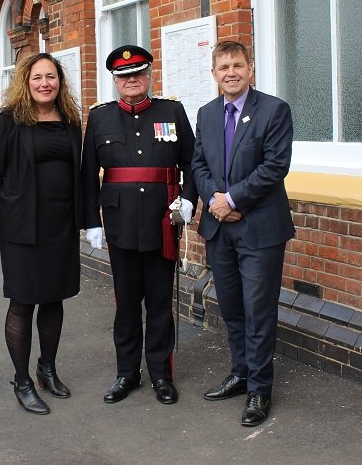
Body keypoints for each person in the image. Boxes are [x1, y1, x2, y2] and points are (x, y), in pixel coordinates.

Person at [82, 45, 197, 405]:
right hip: (119, 224)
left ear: (148, 76)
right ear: (115, 81)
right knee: (127, 304)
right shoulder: (100, 118)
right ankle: (127, 373)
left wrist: (190, 199)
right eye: (123, 76)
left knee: (160, 303)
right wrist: (91, 222)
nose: (131, 80)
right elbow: (88, 175)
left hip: (161, 222)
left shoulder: (171, 111)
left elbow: (193, 163)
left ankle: (161, 373)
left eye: (138, 74)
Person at [191, 40, 296, 427]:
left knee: (258, 310)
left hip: (259, 229)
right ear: (214, 73)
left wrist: (233, 200)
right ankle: (240, 373)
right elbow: (198, 164)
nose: (231, 72)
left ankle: (260, 389)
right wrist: (216, 201)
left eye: (237, 65)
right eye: (223, 67)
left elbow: (274, 167)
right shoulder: (206, 113)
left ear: (250, 68)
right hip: (220, 229)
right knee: (232, 307)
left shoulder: (273, 110)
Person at [0, 52, 83, 415]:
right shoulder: (9, 121)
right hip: (23, 230)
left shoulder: (70, 120)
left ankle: (47, 370)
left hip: (61, 227)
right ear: (26, 82)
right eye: (38, 77)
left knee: (54, 299)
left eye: (51, 77)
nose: (45, 83)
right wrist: (11, 212)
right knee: (23, 302)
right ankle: (22, 381)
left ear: (60, 82)